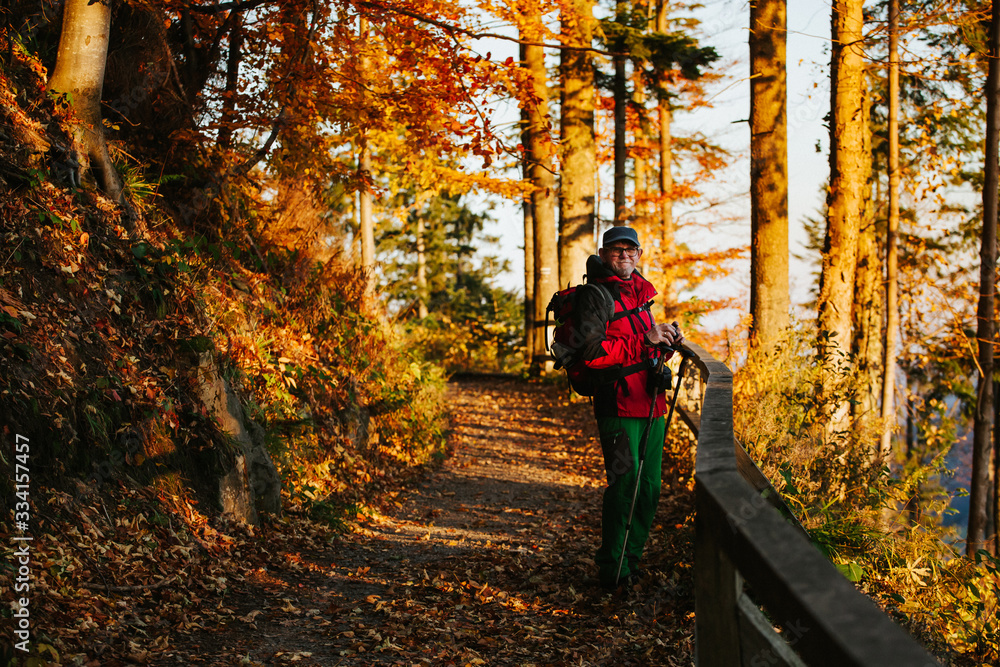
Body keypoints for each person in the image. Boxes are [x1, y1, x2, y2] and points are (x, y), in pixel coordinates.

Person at [576, 226, 682, 591]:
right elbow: (592, 355)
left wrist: (665, 341)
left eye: (630, 250)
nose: (624, 256)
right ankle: (613, 568)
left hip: (651, 403)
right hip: (617, 404)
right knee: (625, 485)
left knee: (650, 486)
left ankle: (631, 560)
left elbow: (645, 344)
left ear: (639, 255)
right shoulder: (595, 297)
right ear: (603, 255)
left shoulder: (641, 294)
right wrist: (645, 340)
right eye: (616, 250)